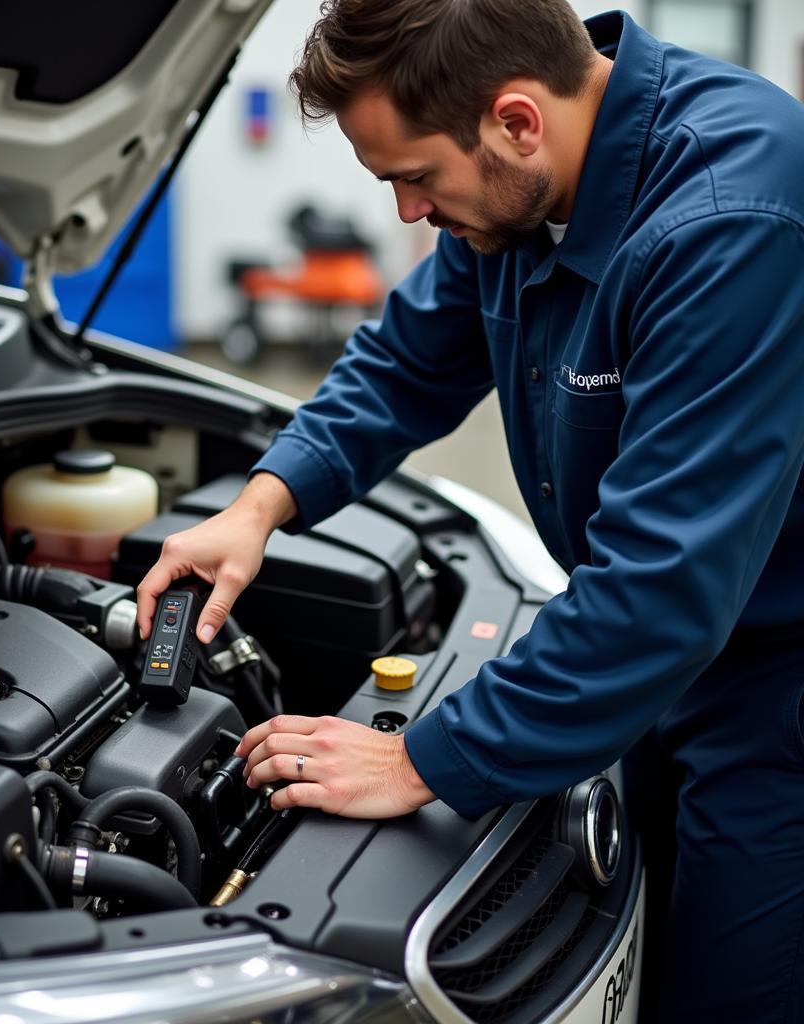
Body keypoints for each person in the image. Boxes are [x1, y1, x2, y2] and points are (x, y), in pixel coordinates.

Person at [137, 2, 804, 1019]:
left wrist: (419, 758)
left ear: (516, 121)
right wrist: (259, 505)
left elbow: (662, 587)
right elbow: (408, 360)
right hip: (663, 659)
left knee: (725, 993)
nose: (407, 212)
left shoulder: (727, 217)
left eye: (412, 177)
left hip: (774, 686)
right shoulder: (522, 189)